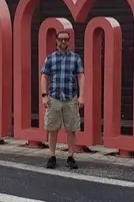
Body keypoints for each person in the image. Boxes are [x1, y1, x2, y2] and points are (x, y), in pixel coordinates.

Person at [40, 30, 85, 169]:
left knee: (71, 129)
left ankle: (70, 157)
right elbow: (44, 76)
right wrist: (44, 95)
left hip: (71, 98)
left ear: (69, 41)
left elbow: (81, 76)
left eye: (66, 39)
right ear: (56, 41)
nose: (63, 42)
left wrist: (81, 96)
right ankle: (52, 156)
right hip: (54, 98)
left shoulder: (76, 58)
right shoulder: (50, 58)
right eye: (61, 39)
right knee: (52, 129)